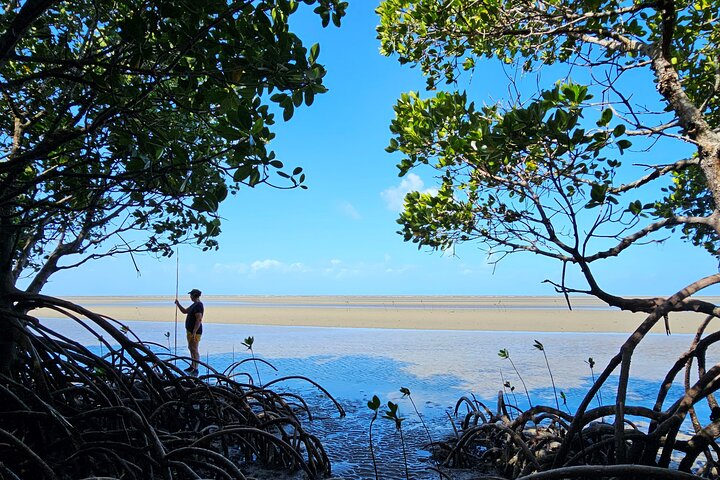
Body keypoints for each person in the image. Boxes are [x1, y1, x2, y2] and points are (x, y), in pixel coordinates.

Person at [175, 288, 204, 375]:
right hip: (190, 331)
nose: (190, 297)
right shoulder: (194, 305)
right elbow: (184, 311)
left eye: (191, 295)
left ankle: (195, 368)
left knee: (194, 349)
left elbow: (198, 319)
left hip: (195, 331)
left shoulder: (199, 305)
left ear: (194, 295)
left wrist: (194, 332)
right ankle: (192, 366)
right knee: (191, 348)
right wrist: (178, 304)